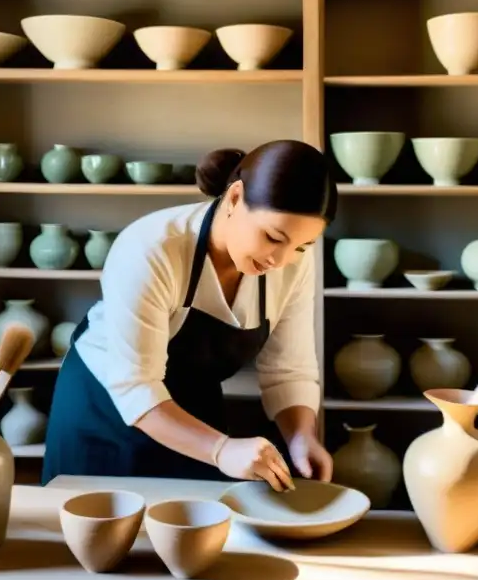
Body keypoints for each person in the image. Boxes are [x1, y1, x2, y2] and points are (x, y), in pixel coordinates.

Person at [42, 139, 338, 492]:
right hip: (105, 407)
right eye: (273, 237)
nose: (281, 260)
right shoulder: (152, 248)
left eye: (302, 246)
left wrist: (302, 436)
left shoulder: (292, 264)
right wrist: (222, 449)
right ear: (234, 197)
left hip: (192, 412)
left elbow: (288, 370)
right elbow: (136, 387)